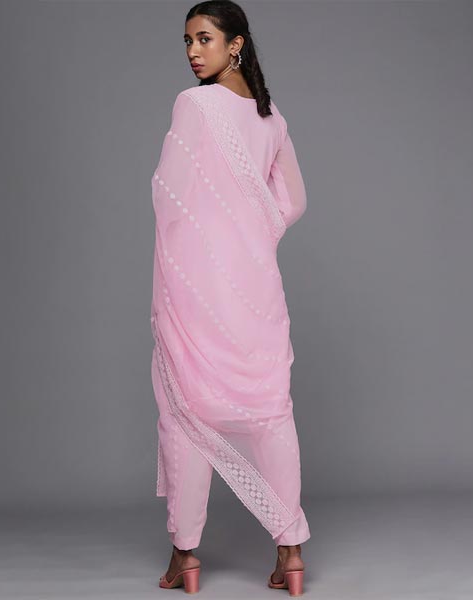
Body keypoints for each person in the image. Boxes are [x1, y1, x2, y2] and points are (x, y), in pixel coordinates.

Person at [150, 1, 309, 594]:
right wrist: (251, 235)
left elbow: (167, 194)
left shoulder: (195, 105)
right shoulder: (272, 119)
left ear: (235, 43)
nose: (193, 52)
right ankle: (290, 553)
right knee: (270, 411)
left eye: (204, 39)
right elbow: (294, 201)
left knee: (187, 412)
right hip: (257, 287)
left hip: (198, 286)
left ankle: (185, 556)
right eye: (187, 41)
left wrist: (210, 240)